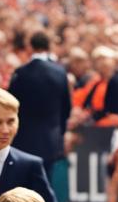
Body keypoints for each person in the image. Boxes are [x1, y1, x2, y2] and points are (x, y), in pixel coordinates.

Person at [8, 30, 73, 181]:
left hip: (23, 139)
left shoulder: (20, 73)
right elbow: (66, 109)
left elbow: (10, 106)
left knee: (24, 186)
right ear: (49, 46)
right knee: (45, 183)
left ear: (30, 47)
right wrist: (60, 134)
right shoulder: (60, 73)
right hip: (50, 140)